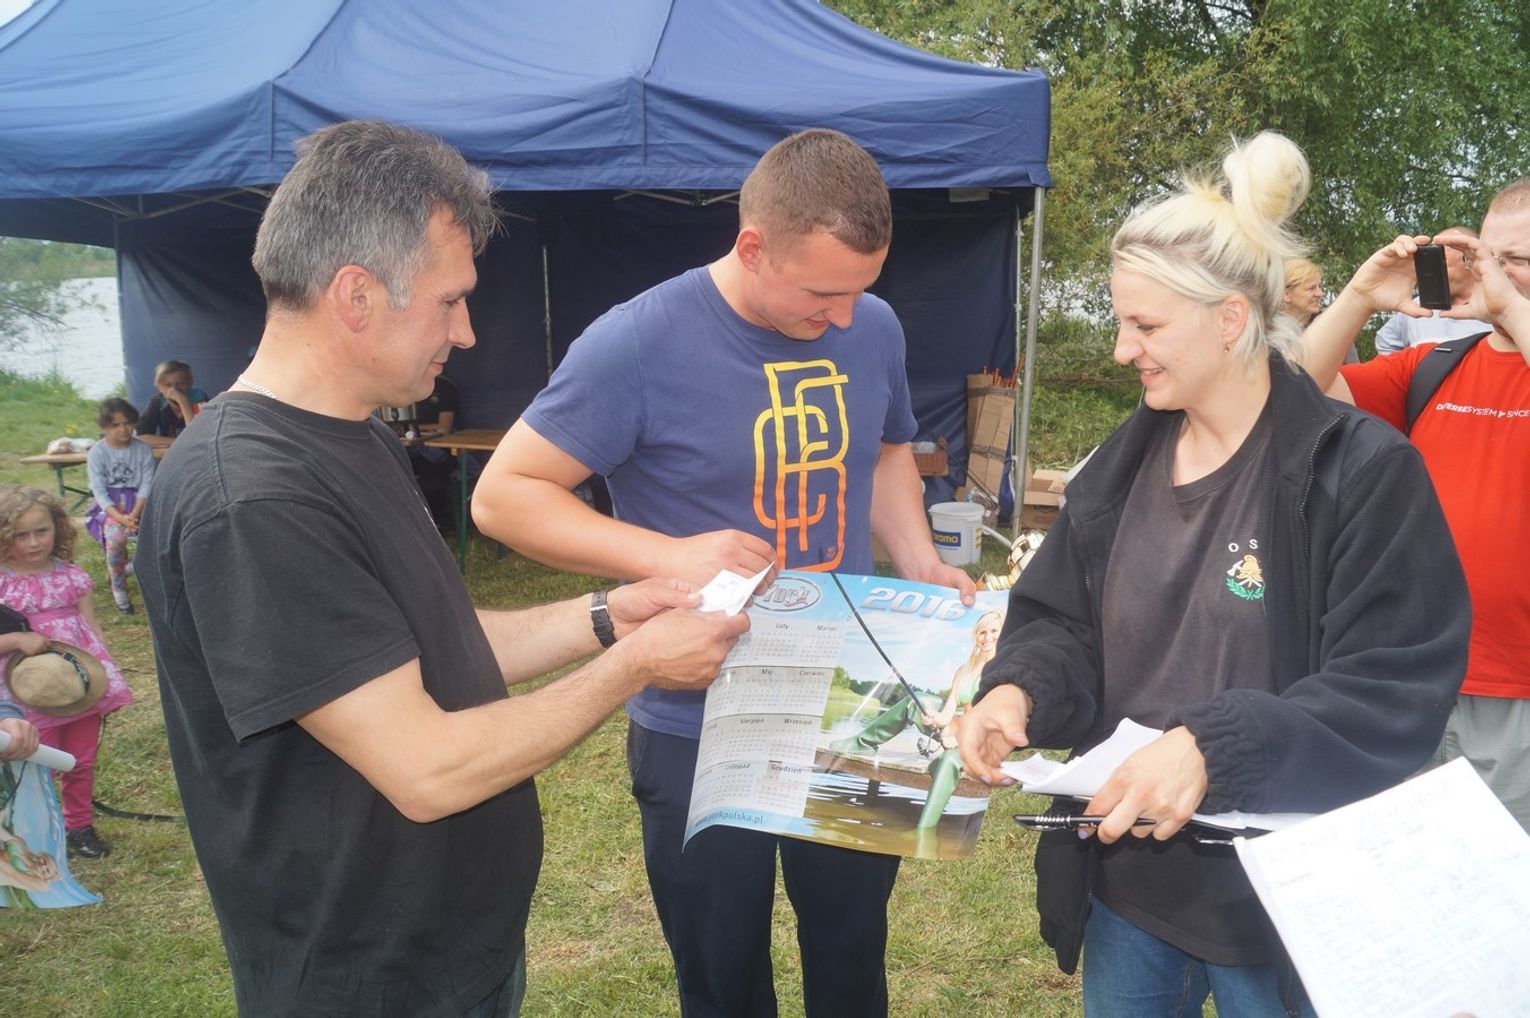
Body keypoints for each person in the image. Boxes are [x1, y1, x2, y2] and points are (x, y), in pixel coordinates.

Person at [134, 119, 749, 1018]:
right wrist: (635, 667)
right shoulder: (253, 498)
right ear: (355, 294)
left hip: (448, 955)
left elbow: (428, 644)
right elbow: (425, 770)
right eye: (449, 301)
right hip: (364, 978)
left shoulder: (356, 436)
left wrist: (612, 615)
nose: (465, 332)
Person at [956, 132, 1469, 1017]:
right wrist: (1020, 691)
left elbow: (1391, 687)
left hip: (1285, 903)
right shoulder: (1118, 469)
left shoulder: (1362, 472)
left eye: (1146, 326)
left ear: (1231, 319)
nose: (1121, 350)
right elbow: (1063, 621)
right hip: (1129, 889)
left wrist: (1209, 746)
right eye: (1122, 321)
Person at [471, 127, 976, 1017]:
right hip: (698, 712)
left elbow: (890, 446)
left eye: (861, 289)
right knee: (721, 969)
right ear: (752, 247)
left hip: (848, 700)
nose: (845, 318)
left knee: (852, 948)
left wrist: (919, 558)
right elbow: (505, 496)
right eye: (822, 293)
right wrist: (668, 555)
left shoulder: (873, 325)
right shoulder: (636, 341)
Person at [1300, 179, 1530, 832]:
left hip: (1518, 695)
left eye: (1516, 259)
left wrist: (1508, 305)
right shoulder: (1434, 366)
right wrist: (1360, 296)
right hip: (1413, 679)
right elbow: (1293, 394)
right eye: (1487, 254)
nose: (1490, 272)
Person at [0, 486, 135, 860]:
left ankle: (79, 825)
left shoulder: (72, 577)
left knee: (80, 760)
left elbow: (92, 630)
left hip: (77, 687)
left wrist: (106, 678)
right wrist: (17, 639)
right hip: (26, 692)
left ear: (57, 528)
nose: (33, 543)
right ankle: (34, 830)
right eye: (20, 535)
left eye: (41, 531)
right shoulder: (3, 584)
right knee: (35, 762)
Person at [829, 609, 1002, 828]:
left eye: (994, 631)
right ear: (975, 635)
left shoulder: (1003, 668)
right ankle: (864, 743)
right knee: (917, 700)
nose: (987, 637)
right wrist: (935, 719)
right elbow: (949, 710)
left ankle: (924, 828)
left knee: (952, 758)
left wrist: (959, 740)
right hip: (959, 731)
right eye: (982, 632)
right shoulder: (964, 670)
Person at [83, 397, 156, 614]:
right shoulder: (97, 453)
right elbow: (99, 490)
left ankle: (126, 568)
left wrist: (135, 514)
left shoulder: (143, 449)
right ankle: (120, 593)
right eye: (115, 425)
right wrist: (120, 517)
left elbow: (147, 483)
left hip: (141, 505)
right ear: (103, 427)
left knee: (159, 539)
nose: (123, 429)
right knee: (115, 542)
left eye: (128, 423)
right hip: (111, 508)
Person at [1372, 226, 1493, 354]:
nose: (1433, 273)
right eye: (1431, 264)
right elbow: (1385, 343)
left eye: (1442, 265)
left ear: (1469, 261)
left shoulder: (1493, 310)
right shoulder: (1417, 308)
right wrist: (1407, 365)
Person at [409, 372, 459, 530]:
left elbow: (444, 428)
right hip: (408, 445)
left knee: (431, 478)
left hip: (437, 448)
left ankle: (438, 524)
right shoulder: (403, 384)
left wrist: (414, 429)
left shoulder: (444, 387)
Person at [135, 359, 208, 448]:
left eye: (180, 384)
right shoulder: (158, 402)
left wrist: (183, 402)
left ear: (189, 383)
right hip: (173, 449)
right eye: (168, 385)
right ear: (159, 388)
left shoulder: (199, 399)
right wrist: (179, 442)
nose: (174, 389)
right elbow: (140, 437)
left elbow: (196, 437)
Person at [1282, 257, 1324, 326]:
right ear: (1286, 294)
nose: (1320, 293)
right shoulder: (1268, 327)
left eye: (1319, 286)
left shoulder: (1329, 323)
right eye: (1311, 288)